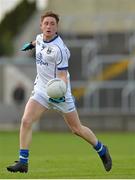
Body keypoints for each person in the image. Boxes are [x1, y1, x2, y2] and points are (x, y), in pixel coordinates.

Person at [7, 11, 112, 173]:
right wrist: (30, 44)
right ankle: (23, 162)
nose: (49, 26)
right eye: (46, 23)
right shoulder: (41, 37)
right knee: (26, 121)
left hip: (59, 92)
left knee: (76, 129)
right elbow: (38, 42)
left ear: (57, 28)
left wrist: (60, 94)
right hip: (41, 89)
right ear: (41, 26)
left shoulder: (59, 50)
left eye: (52, 24)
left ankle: (101, 149)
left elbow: (62, 77)